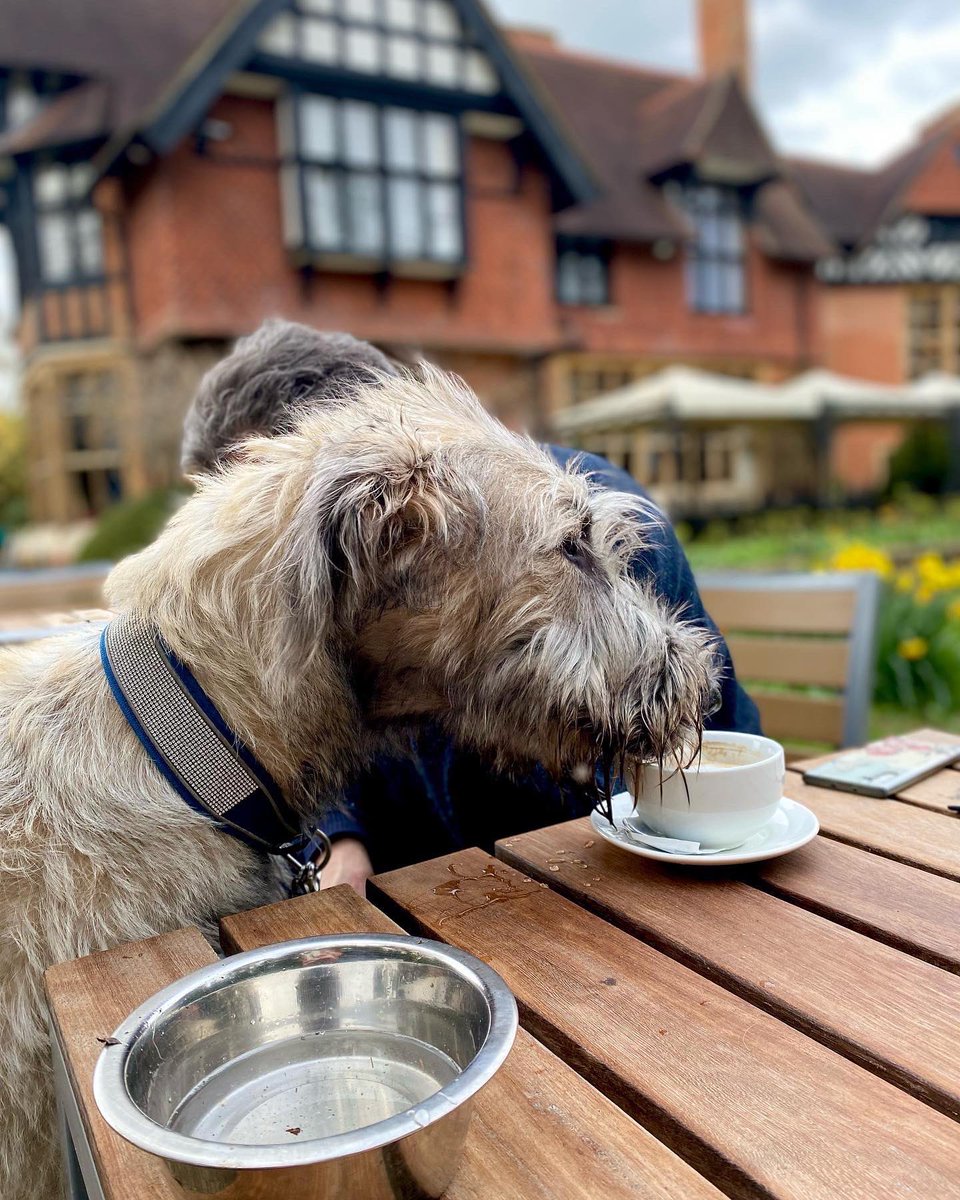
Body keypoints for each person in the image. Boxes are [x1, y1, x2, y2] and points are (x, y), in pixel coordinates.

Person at [181, 320, 761, 891]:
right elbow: (311, 705)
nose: (246, 550)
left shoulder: (585, 529)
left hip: (606, 877)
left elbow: (692, 741)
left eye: (254, 512)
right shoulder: (354, 577)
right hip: (438, 890)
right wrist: (342, 832)